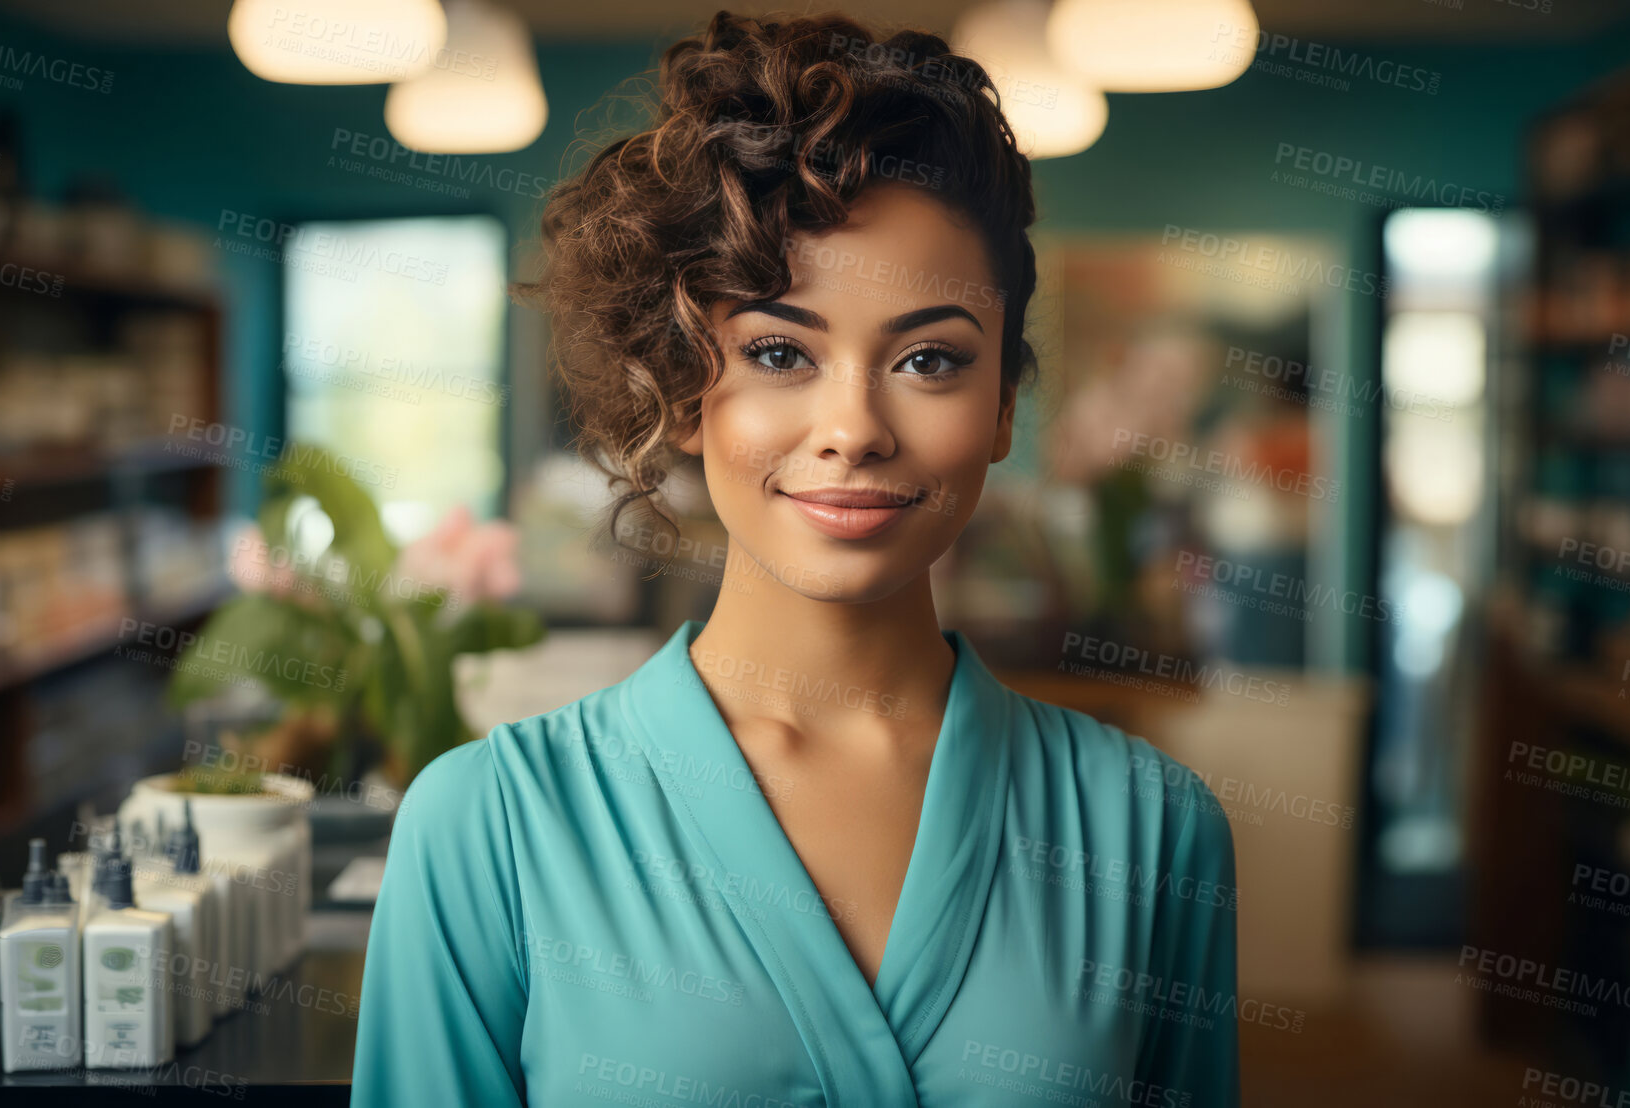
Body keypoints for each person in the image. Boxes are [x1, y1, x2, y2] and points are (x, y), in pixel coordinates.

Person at [352, 11, 1239, 1106]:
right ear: (683, 394)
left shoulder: (1149, 826)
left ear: (1003, 406)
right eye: (778, 351)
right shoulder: (488, 824)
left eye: (928, 358)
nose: (852, 427)